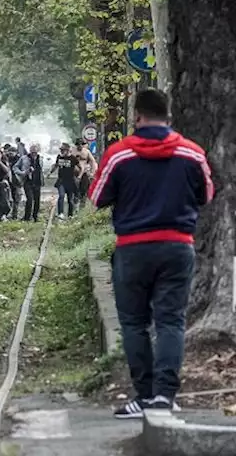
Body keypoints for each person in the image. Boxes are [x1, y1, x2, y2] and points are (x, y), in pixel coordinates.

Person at [89, 89, 212, 419]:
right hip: (177, 246)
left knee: (134, 324)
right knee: (171, 320)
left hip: (133, 249)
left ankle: (143, 396)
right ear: (168, 115)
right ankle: (165, 396)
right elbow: (206, 194)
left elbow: (97, 197)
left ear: (137, 116)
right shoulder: (193, 153)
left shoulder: (119, 155)